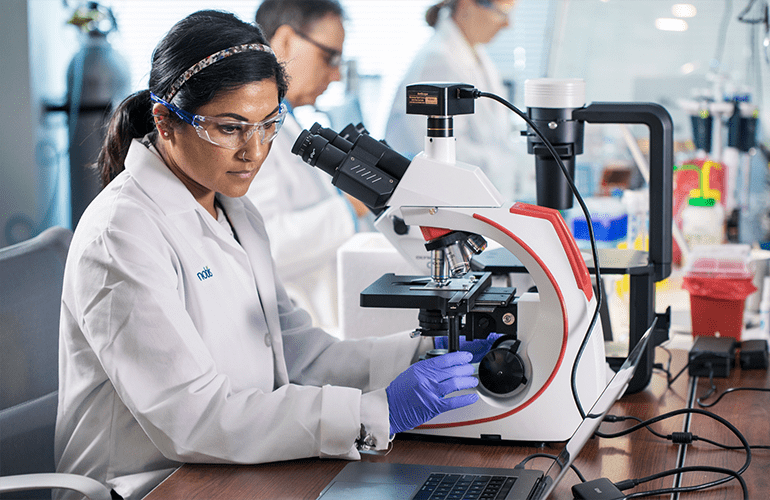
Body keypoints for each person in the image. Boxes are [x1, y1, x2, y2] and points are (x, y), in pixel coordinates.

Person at [54, 11, 485, 500]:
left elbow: (302, 354)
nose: (254, 151)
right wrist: (378, 411)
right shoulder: (121, 235)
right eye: (231, 128)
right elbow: (193, 417)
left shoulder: (235, 211)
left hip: (232, 468)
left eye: (268, 124)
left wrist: (418, 355)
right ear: (165, 121)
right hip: (150, 485)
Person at [248, 0, 365, 334]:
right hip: (286, 328)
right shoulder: (252, 132)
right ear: (284, 41)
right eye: (329, 57)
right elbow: (266, 243)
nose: (337, 74)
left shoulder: (287, 123)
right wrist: (349, 208)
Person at [384, 0, 526, 200]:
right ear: (466, 6)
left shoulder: (474, 53)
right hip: (433, 199)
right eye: (502, 12)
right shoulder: (438, 61)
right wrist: (509, 165)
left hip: (470, 193)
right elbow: (440, 155)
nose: (507, 24)